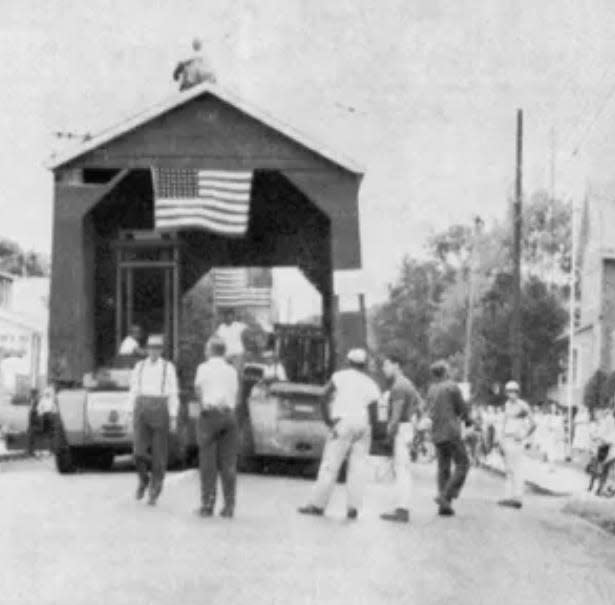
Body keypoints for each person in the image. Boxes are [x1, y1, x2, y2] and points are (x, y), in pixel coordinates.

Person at [298, 349, 380, 520]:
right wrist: (373, 430)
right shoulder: (371, 383)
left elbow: (323, 395)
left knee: (330, 464)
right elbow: (374, 411)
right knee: (357, 468)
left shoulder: (340, 376)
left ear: (348, 361)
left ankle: (317, 504)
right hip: (363, 425)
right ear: (364, 365)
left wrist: (327, 420)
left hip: (343, 423)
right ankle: (353, 508)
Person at [129, 334, 179, 506]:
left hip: (161, 407)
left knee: (159, 454)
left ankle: (155, 489)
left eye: (157, 348)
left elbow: (173, 392)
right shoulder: (139, 366)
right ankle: (143, 479)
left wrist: (173, 416)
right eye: (151, 347)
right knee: (138, 452)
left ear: (161, 350)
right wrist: (130, 412)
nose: (154, 351)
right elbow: (133, 390)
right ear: (147, 349)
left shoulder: (168, 367)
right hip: (142, 407)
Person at [194, 336, 240, 518]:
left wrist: (202, 403)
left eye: (206, 348)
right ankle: (229, 506)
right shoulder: (232, 370)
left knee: (208, 463)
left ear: (211, 350)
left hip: (210, 415)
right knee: (228, 464)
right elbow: (235, 392)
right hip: (228, 415)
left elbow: (198, 389)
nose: (205, 351)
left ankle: (207, 504)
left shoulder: (203, 368)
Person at [379, 352, 423, 524]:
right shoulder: (409, 384)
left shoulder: (398, 386)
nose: (384, 369)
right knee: (403, 470)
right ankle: (401, 507)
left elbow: (395, 417)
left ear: (396, 365)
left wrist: (388, 436)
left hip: (401, 429)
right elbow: (421, 405)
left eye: (386, 365)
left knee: (402, 471)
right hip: (408, 429)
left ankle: (402, 510)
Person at [426, 360, 471, 516]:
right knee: (463, 464)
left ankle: (444, 506)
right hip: (451, 432)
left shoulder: (431, 389)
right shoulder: (452, 386)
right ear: (446, 372)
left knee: (443, 468)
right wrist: (468, 420)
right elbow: (462, 409)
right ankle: (445, 495)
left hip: (437, 432)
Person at [496, 381, 536, 509]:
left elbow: (533, 424)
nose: (511, 394)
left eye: (513, 391)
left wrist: (524, 436)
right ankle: (509, 496)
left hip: (516, 439)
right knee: (508, 469)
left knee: (517, 468)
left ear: (518, 392)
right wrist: (500, 440)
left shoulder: (522, 405)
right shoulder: (507, 405)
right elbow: (503, 423)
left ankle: (517, 497)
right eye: (508, 391)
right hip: (506, 438)